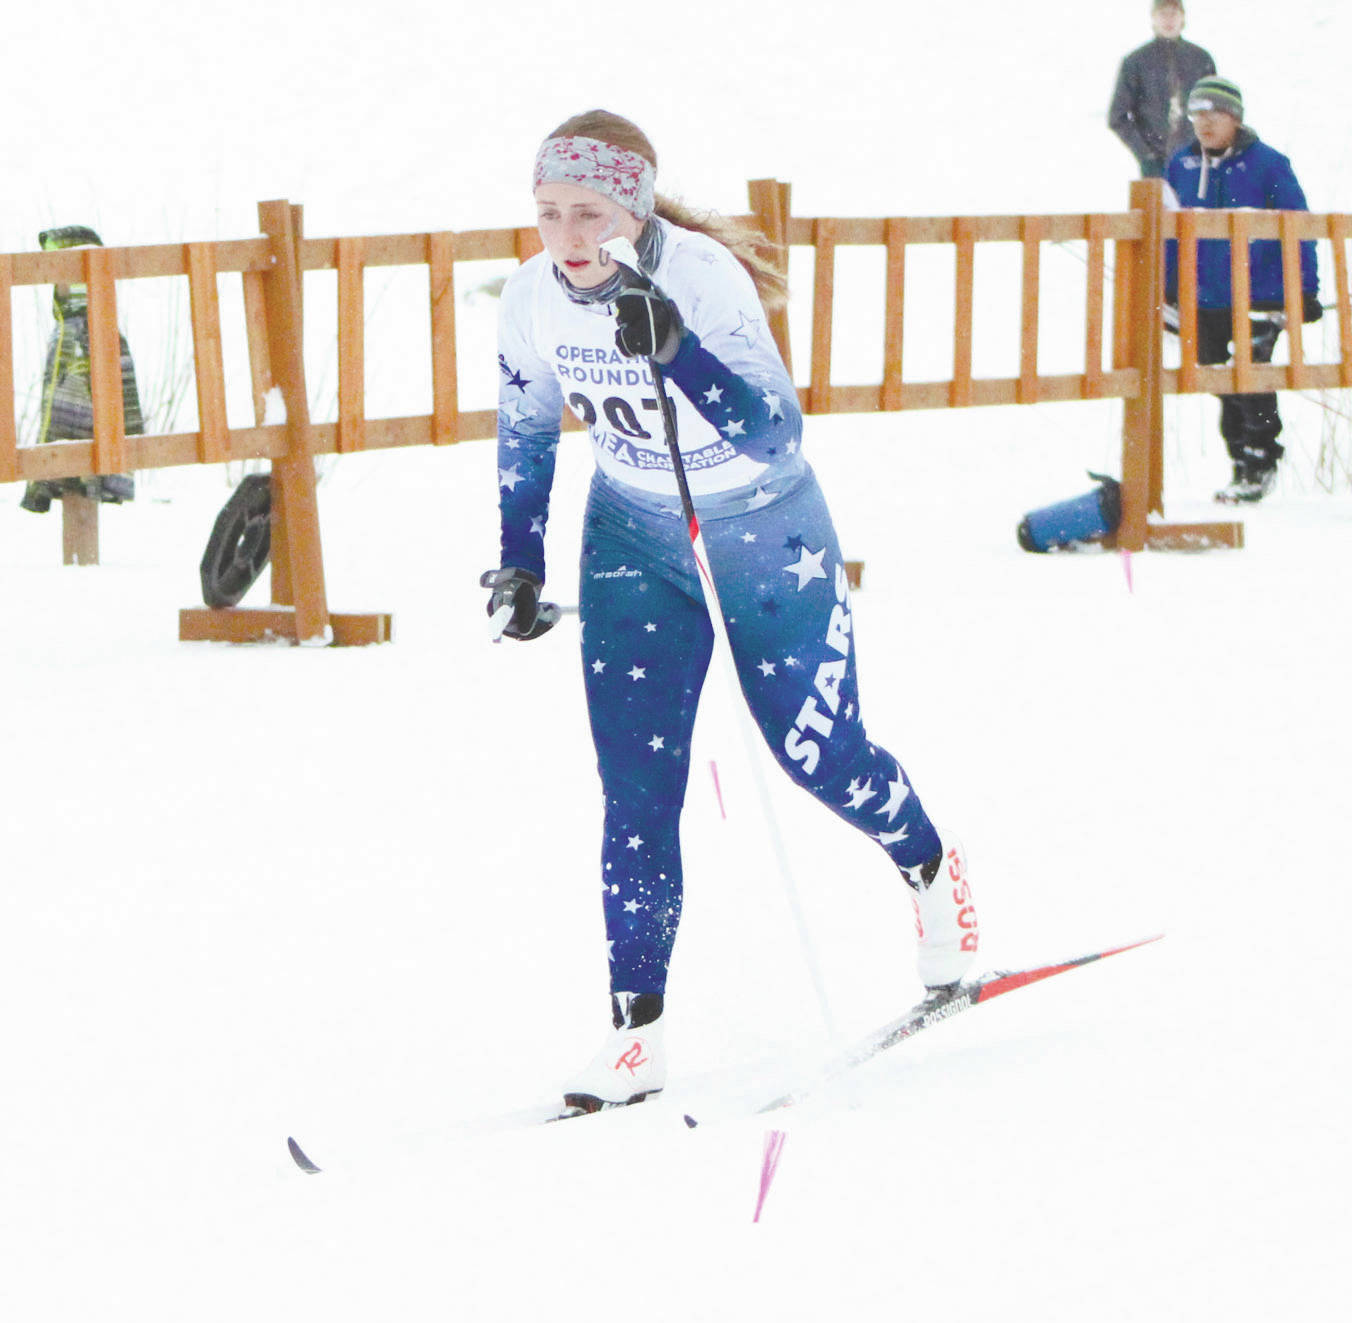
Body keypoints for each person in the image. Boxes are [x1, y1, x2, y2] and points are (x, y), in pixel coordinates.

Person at [485, 110, 980, 1114]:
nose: (567, 238)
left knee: (815, 755)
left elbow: (773, 434)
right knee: (635, 785)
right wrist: (517, 564)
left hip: (760, 533)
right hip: (631, 536)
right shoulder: (534, 298)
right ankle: (636, 1033)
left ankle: (928, 864)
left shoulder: (701, 278)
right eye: (547, 214)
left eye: (588, 213)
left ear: (631, 208)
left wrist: (678, 352)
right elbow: (528, 429)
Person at [1164, 76, 1321, 503]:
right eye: (1197, 114)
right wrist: (1168, 293)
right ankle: (1239, 461)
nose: (1204, 123)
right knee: (1216, 375)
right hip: (1206, 296)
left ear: (1235, 117)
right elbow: (1168, 234)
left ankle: (1261, 456)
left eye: (1214, 113)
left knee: (1252, 372)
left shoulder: (1268, 163)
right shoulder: (1180, 165)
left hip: (1261, 293)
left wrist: (1304, 289)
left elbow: (1300, 226)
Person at [20, 225, 143, 514]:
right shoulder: (69, 331)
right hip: (75, 460)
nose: (57, 284)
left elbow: (118, 406)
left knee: (79, 470)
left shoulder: (87, 334)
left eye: (64, 276)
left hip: (86, 464)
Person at [1109, 1, 1215, 178]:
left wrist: (1207, 147)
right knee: (1155, 205)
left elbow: (1215, 110)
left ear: (1183, 17)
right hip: (1154, 166)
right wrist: (1145, 153)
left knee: (1197, 206)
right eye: (1162, 14)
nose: (1169, 19)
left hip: (1196, 161)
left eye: (1173, 13)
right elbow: (1117, 117)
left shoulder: (1201, 59)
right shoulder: (1135, 62)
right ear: (1153, 18)